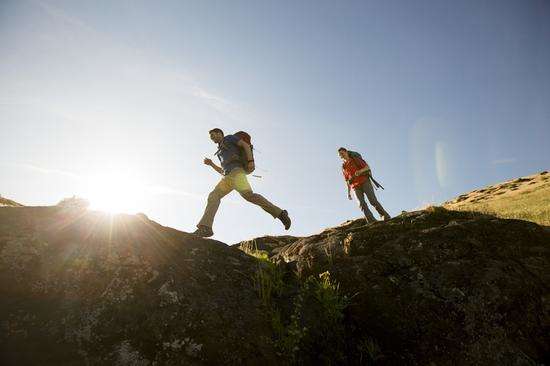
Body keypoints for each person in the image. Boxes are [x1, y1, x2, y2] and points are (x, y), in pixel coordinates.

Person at [193, 128, 291, 237]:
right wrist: (211, 164)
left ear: (219, 133)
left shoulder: (229, 138)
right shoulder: (219, 152)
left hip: (236, 173)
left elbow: (245, 145)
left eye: (213, 135)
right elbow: (223, 171)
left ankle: (206, 227)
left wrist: (251, 161)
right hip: (231, 176)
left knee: (221, 196)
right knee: (243, 196)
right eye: (210, 137)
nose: (212, 138)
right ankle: (280, 213)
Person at [338, 147, 391, 223]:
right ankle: (371, 221)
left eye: (342, 153)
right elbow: (347, 181)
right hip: (355, 187)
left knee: (372, 201)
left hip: (364, 181)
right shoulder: (343, 167)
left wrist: (360, 171)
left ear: (346, 152)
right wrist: (348, 193)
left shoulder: (355, 159)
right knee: (361, 204)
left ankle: (385, 215)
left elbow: (367, 167)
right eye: (340, 155)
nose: (341, 156)